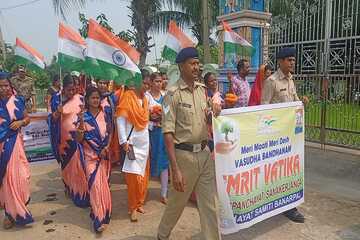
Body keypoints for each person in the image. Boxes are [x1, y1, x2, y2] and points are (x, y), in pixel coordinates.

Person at [157, 47, 222, 240]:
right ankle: (162, 235)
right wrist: (174, 169)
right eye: (192, 63)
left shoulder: (202, 91)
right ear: (181, 66)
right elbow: (168, 132)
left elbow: (207, 121)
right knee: (177, 203)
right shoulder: (171, 94)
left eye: (197, 63)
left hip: (204, 153)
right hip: (184, 157)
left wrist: (214, 114)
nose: (196, 67)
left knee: (209, 204)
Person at [261, 47, 305, 223]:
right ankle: (277, 203)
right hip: (276, 137)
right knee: (276, 171)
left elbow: (294, 103)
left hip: (291, 136)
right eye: (289, 60)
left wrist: (302, 103)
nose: (292, 62)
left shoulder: (291, 80)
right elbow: (263, 109)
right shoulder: (271, 81)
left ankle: (289, 206)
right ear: (280, 62)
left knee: (289, 170)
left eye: (293, 60)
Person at [48, 74, 89, 208]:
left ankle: (80, 191)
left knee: (79, 166)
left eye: (74, 89)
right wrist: (57, 113)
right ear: (63, 88)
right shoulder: (56, 100)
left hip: (77, 139)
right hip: (62, 141)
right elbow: (50, 120)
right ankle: (68, 186)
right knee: (66, 166)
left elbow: (87, 116)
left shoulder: (81, 99)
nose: (72, 92)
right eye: (69, 90)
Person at [76, 87, 112, 233]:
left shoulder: (105, 114)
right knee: (95, 186)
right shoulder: (83, 116)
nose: (95, 100)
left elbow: (110, 133)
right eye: (93, 98)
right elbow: (79, 139)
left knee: (103, 185)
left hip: (103, 156)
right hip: (90, 157)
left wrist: (107, 147)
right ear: (87, 100)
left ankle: (103, 210)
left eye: (98, 97)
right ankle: (98, 220)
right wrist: (80, 125)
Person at [0, 72, 34, 229]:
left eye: (5, 85)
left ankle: (20, 205)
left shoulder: (18, 101)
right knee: (7, 180)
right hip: (2, 147)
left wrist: (20, 122)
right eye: (0, 86)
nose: (3, 88)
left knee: (21, 176)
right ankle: (9, 214)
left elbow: (27, 119)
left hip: (16, 145)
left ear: (10, 86)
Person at [115, 80, 150, 222]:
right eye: (145, 83)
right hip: (132, 143)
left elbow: (146, 121)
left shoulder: (146, 99)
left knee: (143, 175)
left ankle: (140, 202)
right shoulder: (127, 96)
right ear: (138, 83)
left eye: (149, 84)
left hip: (144, 142)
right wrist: (123, 141)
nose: (147, 86)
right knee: (133, 177)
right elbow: (120, 120)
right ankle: (132, 207)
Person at [146, 73, 169, 205]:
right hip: (150, 134)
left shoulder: (165, 96)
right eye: (156, 81)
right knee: (149, 161)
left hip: (163, 133)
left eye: (160, 81)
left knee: (164, 162)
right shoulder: (146, 97)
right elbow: (144, 118)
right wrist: (153, 123)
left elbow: (169, 113)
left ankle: (164, 193)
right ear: (151, 82)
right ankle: (143, 191)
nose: (159, 83)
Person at [97, 79, 120, 167]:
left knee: (108, 155)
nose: (102, 85)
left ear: (108, 85)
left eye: (104, 83)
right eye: (100, 83)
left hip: (109, 130)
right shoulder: (93, 96)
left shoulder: (112, 97)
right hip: (96, 131)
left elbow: (116, 111)